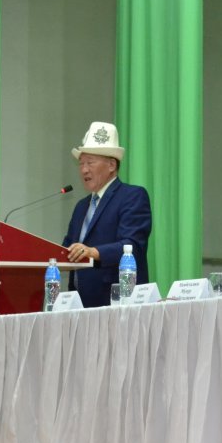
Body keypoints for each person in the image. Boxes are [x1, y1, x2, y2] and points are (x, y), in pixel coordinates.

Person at [63, 122, 152, 307]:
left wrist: (92, 252)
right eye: (81, 163)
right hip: (78, 305)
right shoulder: (81, 207)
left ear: (111, 165)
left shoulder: (132, 196)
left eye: (90, 162)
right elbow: (67, 249)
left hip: (117, 303)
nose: (84, 169)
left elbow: (132, 245)